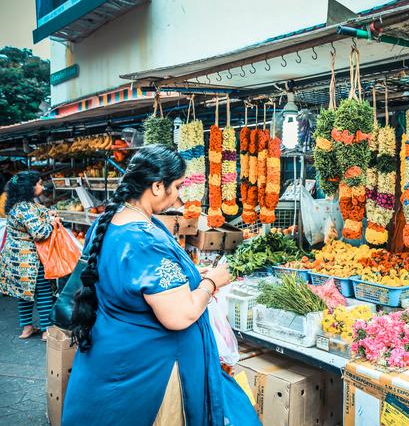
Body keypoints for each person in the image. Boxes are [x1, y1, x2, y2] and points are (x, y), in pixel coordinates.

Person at [63, 145, 260, 426]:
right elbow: (179, 316)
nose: (179, 195)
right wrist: (211, 282)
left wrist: (189, 276)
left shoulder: (111, 221)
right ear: (157, 186)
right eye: (177, 186)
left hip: (115, 355)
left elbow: (138, 280)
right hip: (147, 369)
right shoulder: (143, 238)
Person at [0, 171, 60, 340]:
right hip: (31, 261)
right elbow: (40, 233)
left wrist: (47, 214)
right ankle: (47, 330)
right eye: (39, 183)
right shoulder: (25, 208)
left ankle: (27, 328)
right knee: (43, 293)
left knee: (23, 295)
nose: (42, 186)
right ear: (29, 188)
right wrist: (52, 223)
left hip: (15, 260)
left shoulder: (16, 205)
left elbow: (39, 211)